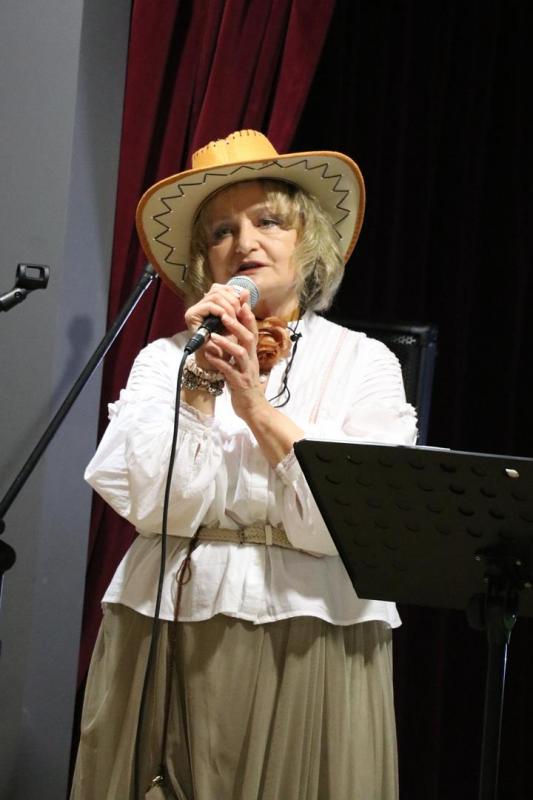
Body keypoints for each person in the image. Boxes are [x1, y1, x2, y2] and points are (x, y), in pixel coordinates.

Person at [71, 130, 417, 800]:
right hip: (167, 625)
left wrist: (254, 405)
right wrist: (200, 386)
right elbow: (159, 508)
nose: (244, 242)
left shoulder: (362, 361)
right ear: (205, 259)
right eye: (221, 231)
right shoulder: (164, 360)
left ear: (308, 240)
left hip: (313, 631)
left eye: (268, 222)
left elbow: (351, 522)